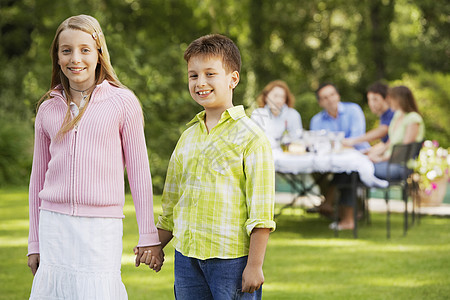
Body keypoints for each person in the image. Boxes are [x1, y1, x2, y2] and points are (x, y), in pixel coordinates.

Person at [27, 15, 162, 299]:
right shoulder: (48, 108)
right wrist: (34, 242)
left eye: (85, 49)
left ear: (99, 54)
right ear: (58, 56)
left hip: (101, 228)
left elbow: (139, 174)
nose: (75, 58)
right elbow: (37, 179)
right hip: (54, 225)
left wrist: (148, 235)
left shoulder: (122, 102)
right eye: (66, 50)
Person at [155, 34, 276, 299]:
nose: (201, 82)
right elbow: (171, 204)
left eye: (210, 74)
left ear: (233, 79)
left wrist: (254, 265)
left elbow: (261, 211)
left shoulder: (252, 138)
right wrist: (156, 245)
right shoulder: (187, 137)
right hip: (187, 259)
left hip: (230, 261)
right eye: (193, 75)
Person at [308, 83, 370, 230]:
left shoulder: (353, 110)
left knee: (347, 170)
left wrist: (334, 144)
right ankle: (334, 206)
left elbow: (356, 139)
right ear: (320, 102)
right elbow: (316, 144)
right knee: (316, 170)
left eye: (332, 95)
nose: (329, 99)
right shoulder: (316, 120)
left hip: (358, 158)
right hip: (330, 160)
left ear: (338, 95)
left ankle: (332, 206)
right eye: (324, 97)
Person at [369, 85, 425, 179]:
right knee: (361, 166)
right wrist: (373, 154)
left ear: (399, 100)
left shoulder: (413, 118)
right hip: (388, 162)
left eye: (391, 98)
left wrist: (381, 159)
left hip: (401, 166)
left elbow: (404, 149)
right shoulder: (398, 115)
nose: (388, 102)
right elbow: (389, 143)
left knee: (362, 170)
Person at [250, 80, 302, 149]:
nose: (279, 101)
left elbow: (298, 140)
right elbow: (253, 141)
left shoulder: (293, 115)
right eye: (275, 96)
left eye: (282, 97)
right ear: (266, 97)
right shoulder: (258, 114)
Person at [342, 81, 394, 148]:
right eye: (369, 100)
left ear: (387, 98)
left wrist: (353, 141)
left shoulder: (392, 113)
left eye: (375, 99)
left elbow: (382, 131)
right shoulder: (383, 115)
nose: (371, 104)